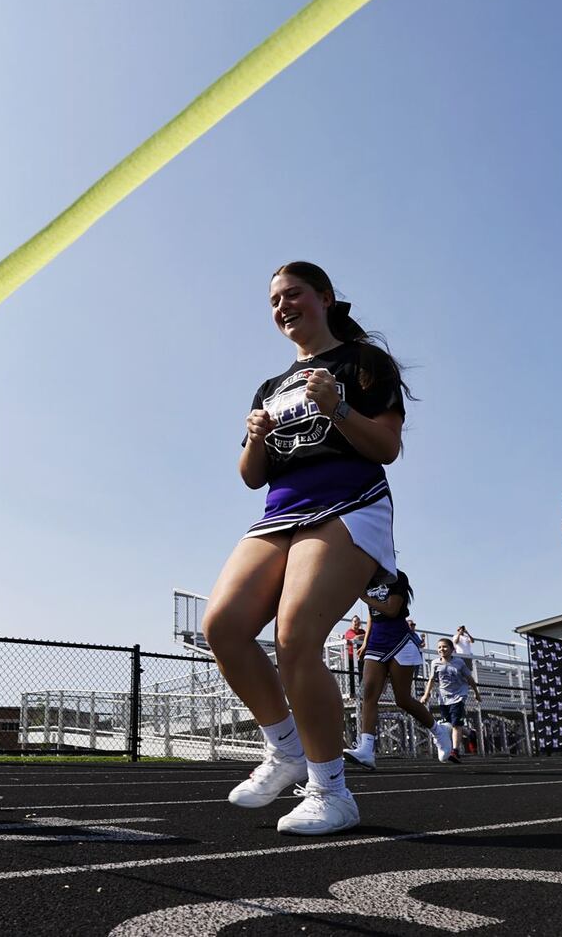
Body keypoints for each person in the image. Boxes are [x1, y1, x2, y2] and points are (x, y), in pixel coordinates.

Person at [200, 263, 410, 836]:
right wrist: (256, 437)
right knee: (221, 625)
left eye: (293, 294)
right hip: (280, 512)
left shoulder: (364, 363)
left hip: (349, 502)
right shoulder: (270, 387)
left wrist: (337, 408)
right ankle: (285, 749)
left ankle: (331, 791)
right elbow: (251, 476)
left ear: (324, 297)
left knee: (296, 637)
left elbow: (387, 447)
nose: (283, 306)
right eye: (274, 300)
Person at [342, 570, 454, 768]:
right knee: (368, 693)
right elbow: (371, 614)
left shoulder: (397, 577)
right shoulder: (366, 578)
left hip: (399, 640)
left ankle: (439, 731)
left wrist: (365, 597)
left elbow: (391, 610)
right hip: (377, 641)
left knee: (402, 699)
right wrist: (366, 641)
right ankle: (366, 750)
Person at [422, 638, 480, 759]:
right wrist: (426, 695)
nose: (441, 649)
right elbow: (432, 680)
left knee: (455, 724)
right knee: (450, 723)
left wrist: (476, 692)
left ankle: (455, 750)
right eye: (439, 647)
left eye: (444, 647)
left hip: (459, 695)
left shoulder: (459, 662)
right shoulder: (435, 663)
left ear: (452, 649)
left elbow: (469, 678)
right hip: (444, 697)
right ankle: (470, 733)